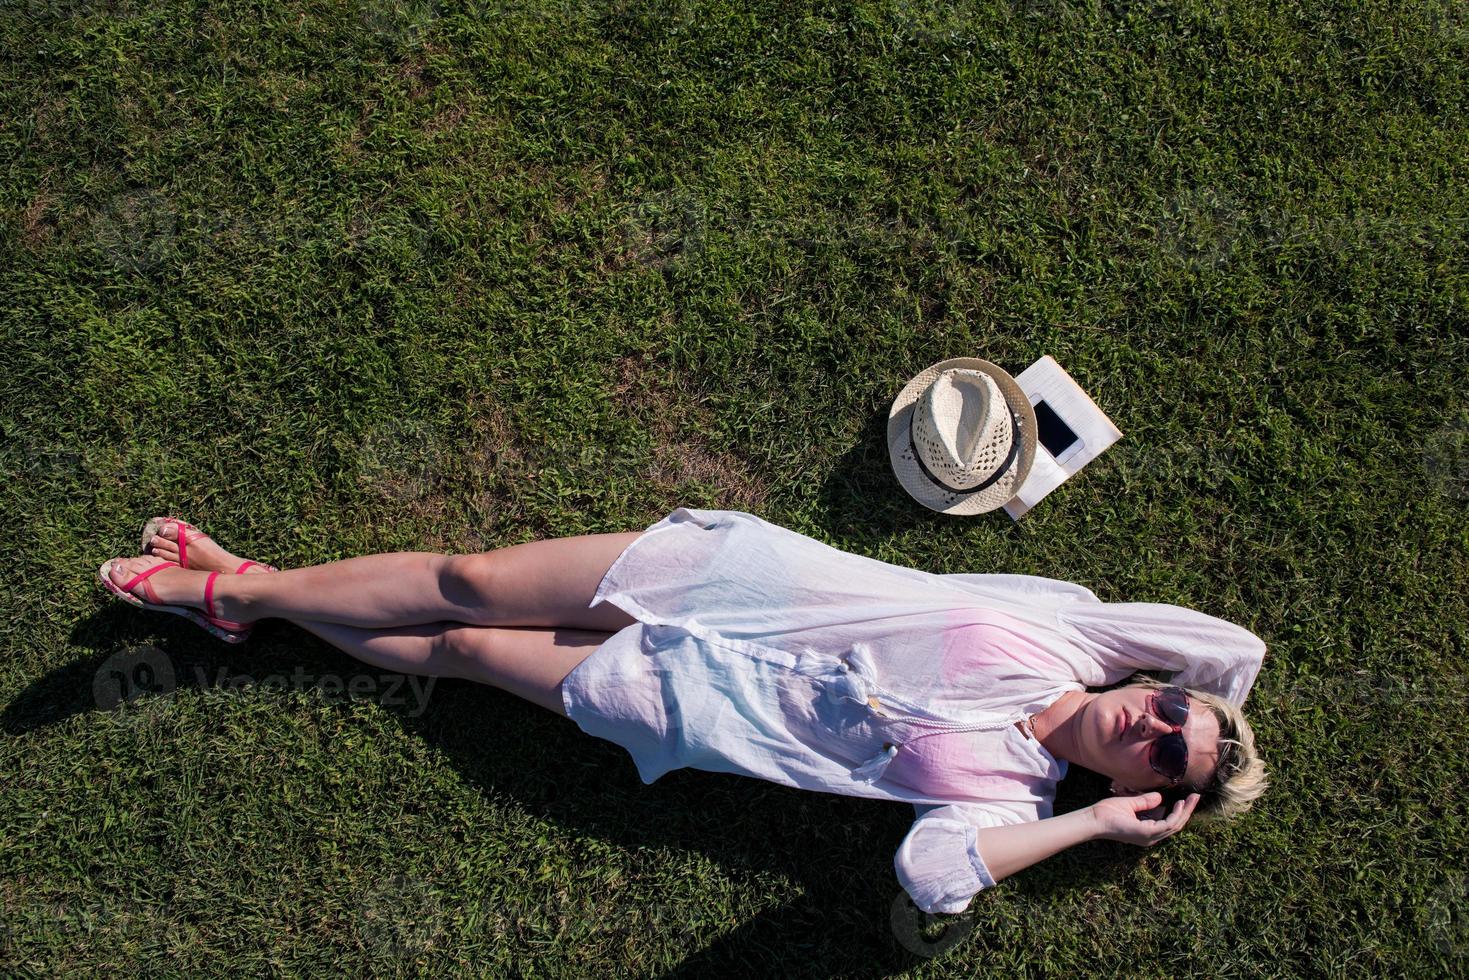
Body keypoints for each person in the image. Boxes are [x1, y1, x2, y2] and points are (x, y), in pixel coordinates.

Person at [99, 506, 1267, 915]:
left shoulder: (1003, 797)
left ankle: (244, 597)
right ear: (1147, 679)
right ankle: (236, 589)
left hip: (688, 700)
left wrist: (1094, 827)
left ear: (1141, 787)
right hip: (735, 583)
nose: (1154, 722)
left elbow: (933, 878)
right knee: (471, 579)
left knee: (455, 648)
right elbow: (1236, 646)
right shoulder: (1078, 631)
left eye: (1166, 750)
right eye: (1170, 708)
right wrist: (1216, 722)